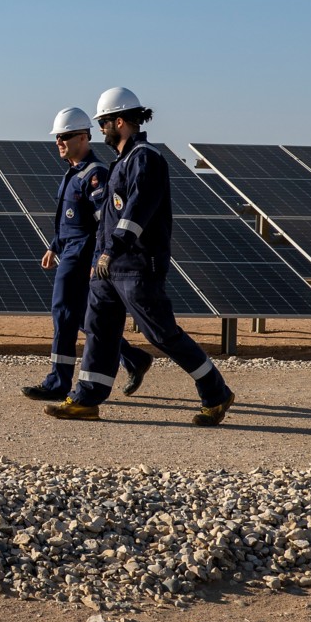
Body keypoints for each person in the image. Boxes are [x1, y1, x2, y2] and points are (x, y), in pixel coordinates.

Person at [47, 87, 236, 425]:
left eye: (104, 123)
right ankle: (86, 398)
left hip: (136, 265)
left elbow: (137, 211)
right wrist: (100, 259)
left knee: (160, 333)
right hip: (109, 267)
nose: (101, 129)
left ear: (120, 121)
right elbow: (108, 217)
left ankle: (215, 390)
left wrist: (113, 249)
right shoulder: (123, 160)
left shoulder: (145, 158)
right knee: (99, 328)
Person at [21, 107, 149, 403]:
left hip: (83, 257)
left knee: (64, 314)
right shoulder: (73, 174)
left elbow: (104, 223)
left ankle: (57, 382)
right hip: (69, 253)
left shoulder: (96, 175)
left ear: (83, 137)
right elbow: (69, 220)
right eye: (57, 138)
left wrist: (96, 262)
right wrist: (54, 246)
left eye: (64, 137)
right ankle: (133, 358)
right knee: (82, 317)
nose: (59, 143)